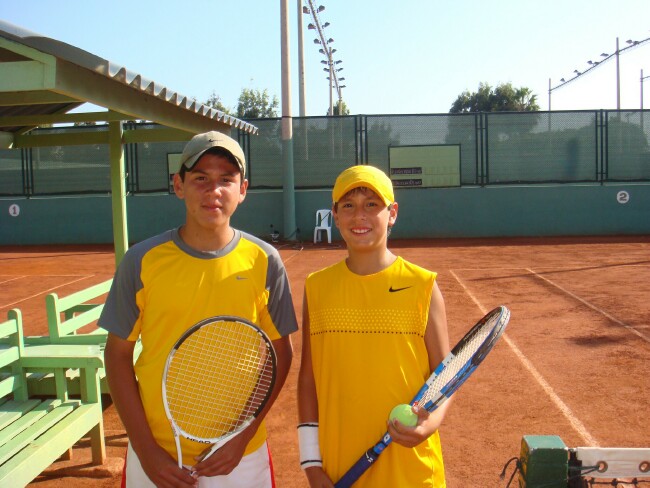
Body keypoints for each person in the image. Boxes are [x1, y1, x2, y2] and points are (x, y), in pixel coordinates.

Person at [99, 131, 298, 488]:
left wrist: (240, 437)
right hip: (157, 454)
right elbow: (117, 356)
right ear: (178, 185)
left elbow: (280, 353)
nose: (214, 190)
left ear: (243, 189)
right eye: (200, 178)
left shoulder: (265, 260)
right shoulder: (141, 261)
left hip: (241, 456)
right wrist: (146, 451)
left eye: (226, 179)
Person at [297, 165, 452, 487]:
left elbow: (445, 374)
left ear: (392, 213)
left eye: (372, 204)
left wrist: (430, 424)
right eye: (348, 206)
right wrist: (311, 463)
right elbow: (308, 378)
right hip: (339, 464)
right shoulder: (317, 287)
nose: (359, 216)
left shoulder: (422, 285)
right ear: (335, 215)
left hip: (411, 469)